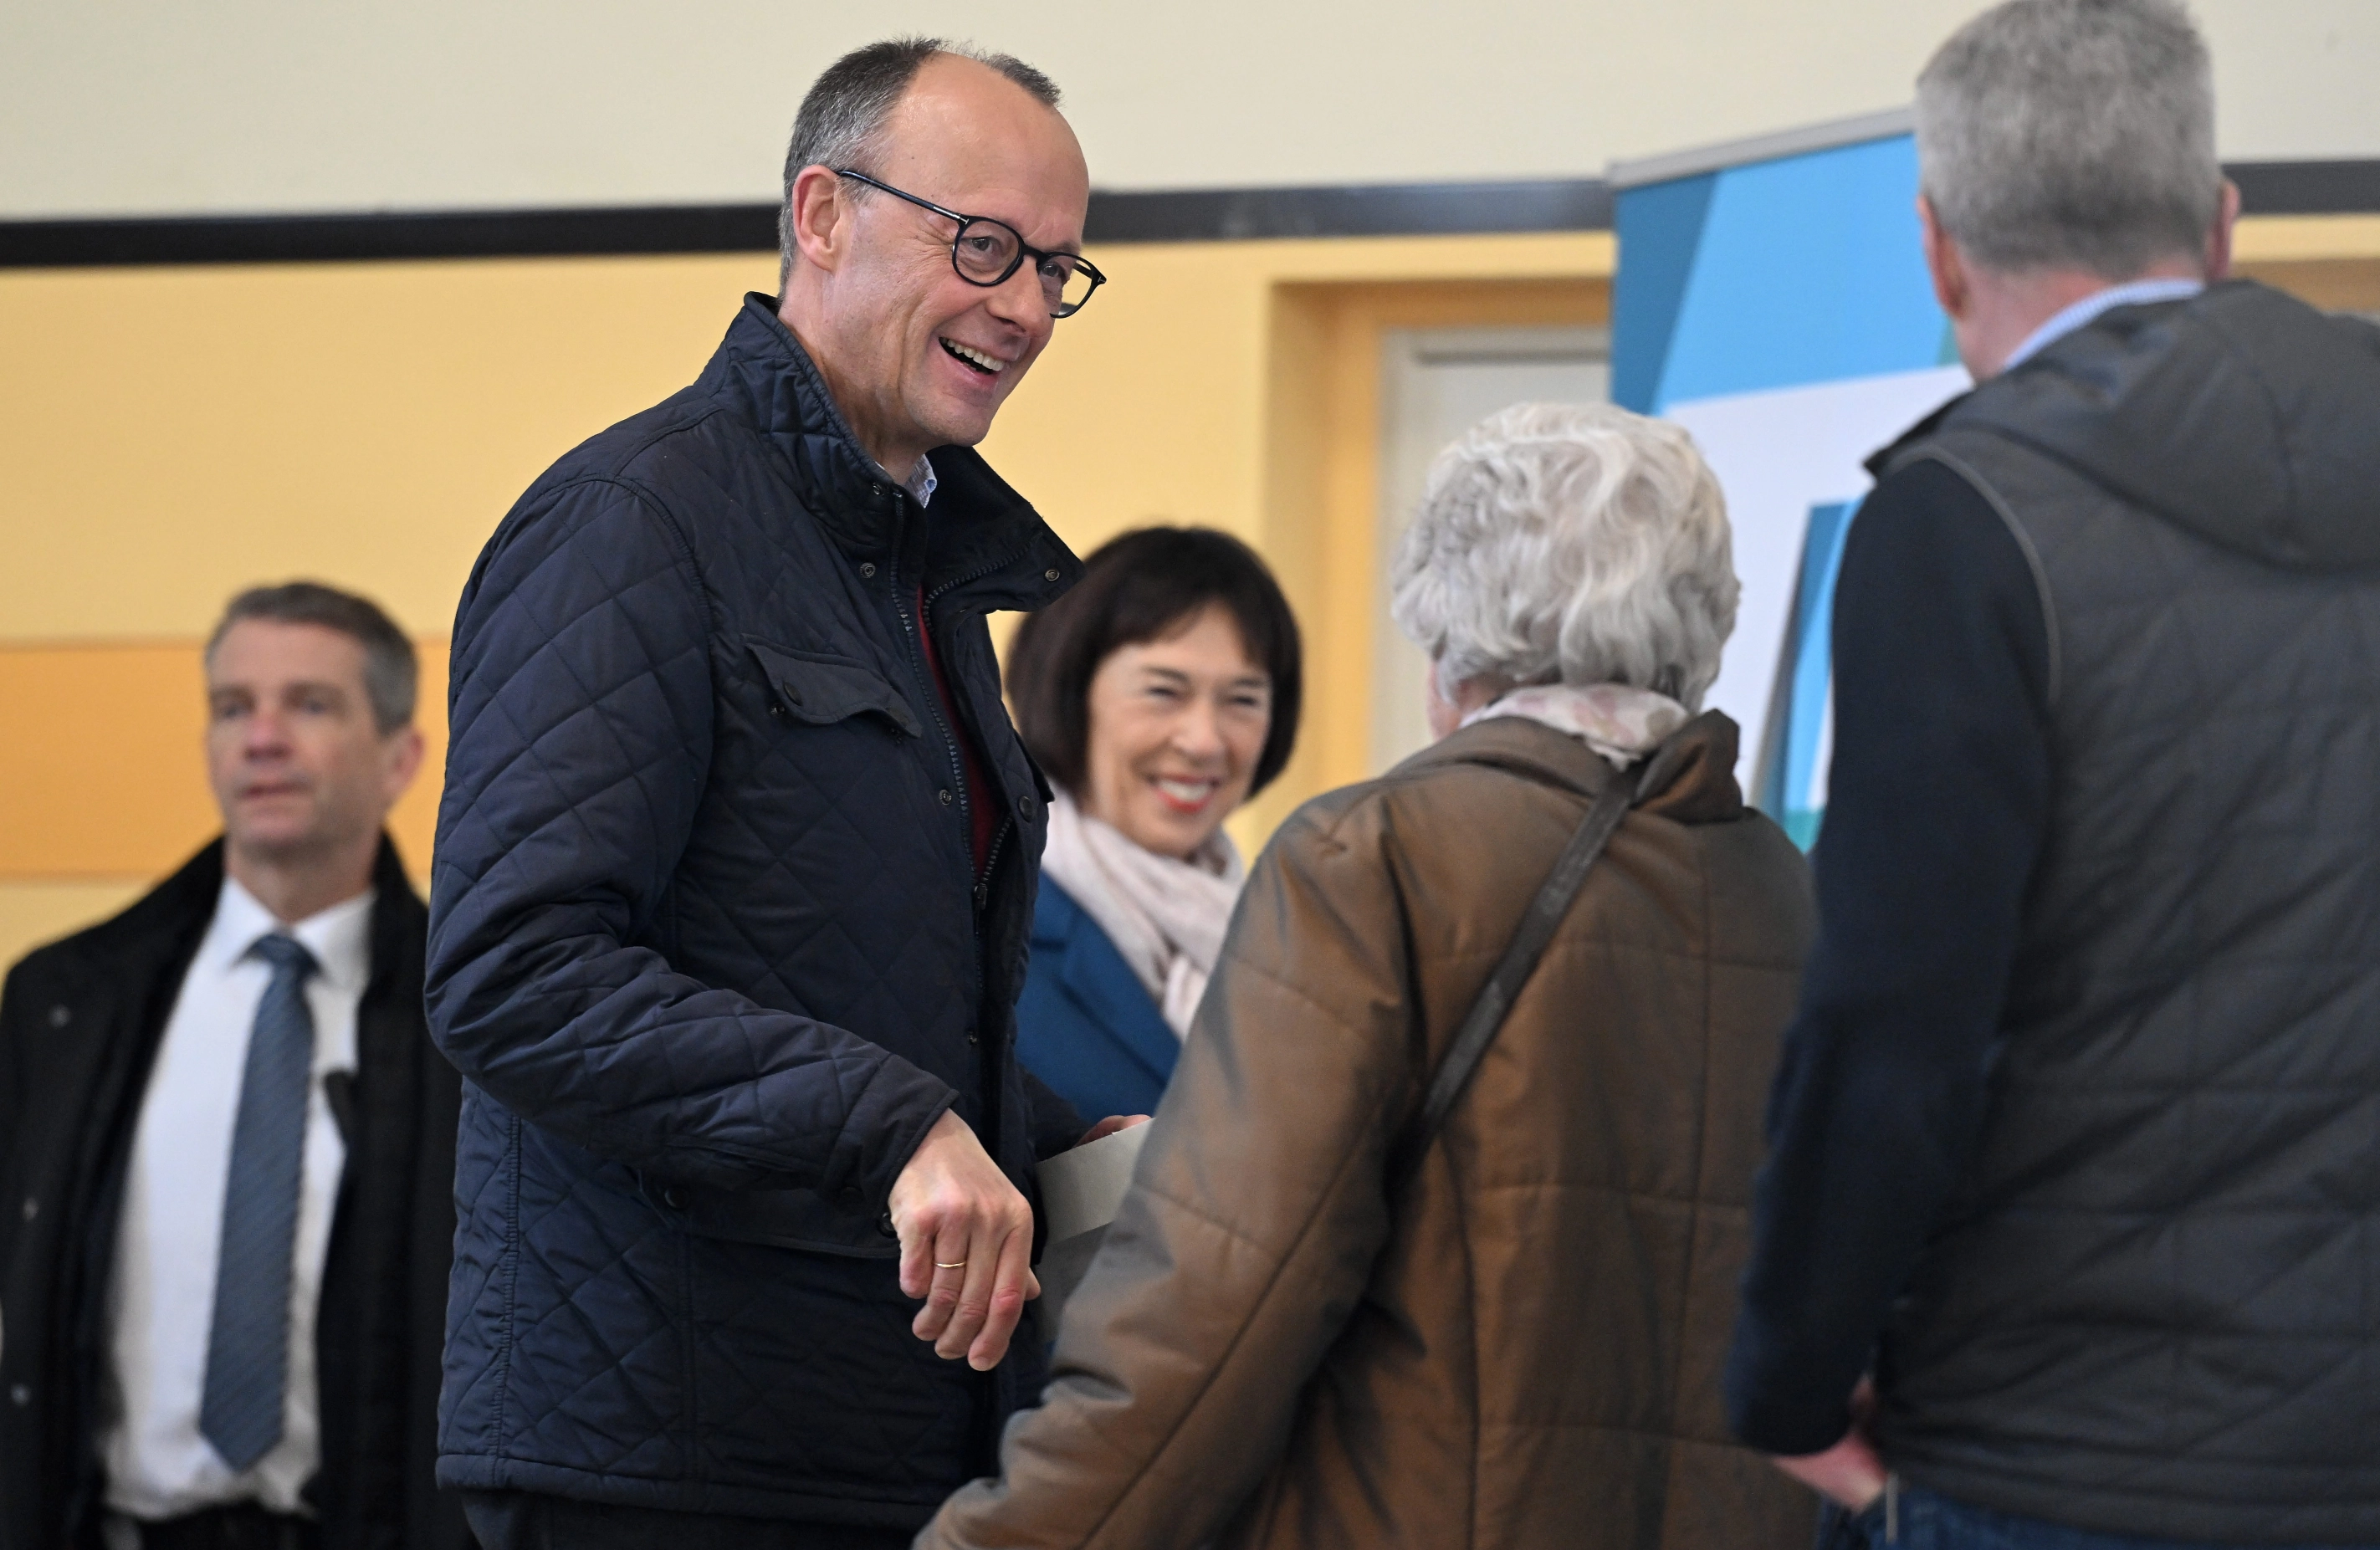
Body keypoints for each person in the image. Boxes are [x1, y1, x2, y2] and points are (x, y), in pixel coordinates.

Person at [1722, 2, 2380, 1545]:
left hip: (2040, 1461)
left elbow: (1896, 1021)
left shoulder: (1961, 524)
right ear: (2220, 224)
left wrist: (1792, 1375)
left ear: (1939, 248)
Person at [424, 38, 1139, 1550]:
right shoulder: (634, 525)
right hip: (666, 1456)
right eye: (985, 245)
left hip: (875, 1440)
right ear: (820, 213)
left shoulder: (919, 569)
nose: (1021, 306)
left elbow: (841, 980)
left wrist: (1061, 1142)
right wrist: (897, 1127)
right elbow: (513, 971)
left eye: (1056, 271)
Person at [918, 402, 1820, 1549]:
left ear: (1451, 622)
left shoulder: (1378, 856)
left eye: (1240, 696)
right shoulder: (1783, 888)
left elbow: (1215, 1314)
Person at [0, 582, 468, 1550]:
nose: (262, 737)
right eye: (231, 707)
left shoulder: (466, 1021)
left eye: (310, 704)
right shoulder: (64, 1003)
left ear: (401, 757)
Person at [1002, 526, 1302, 1120]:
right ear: (1070, 691)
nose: (1204, 740)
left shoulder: (1289, 946)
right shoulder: (991, 929)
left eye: (1243, 699)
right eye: (1165, 691)